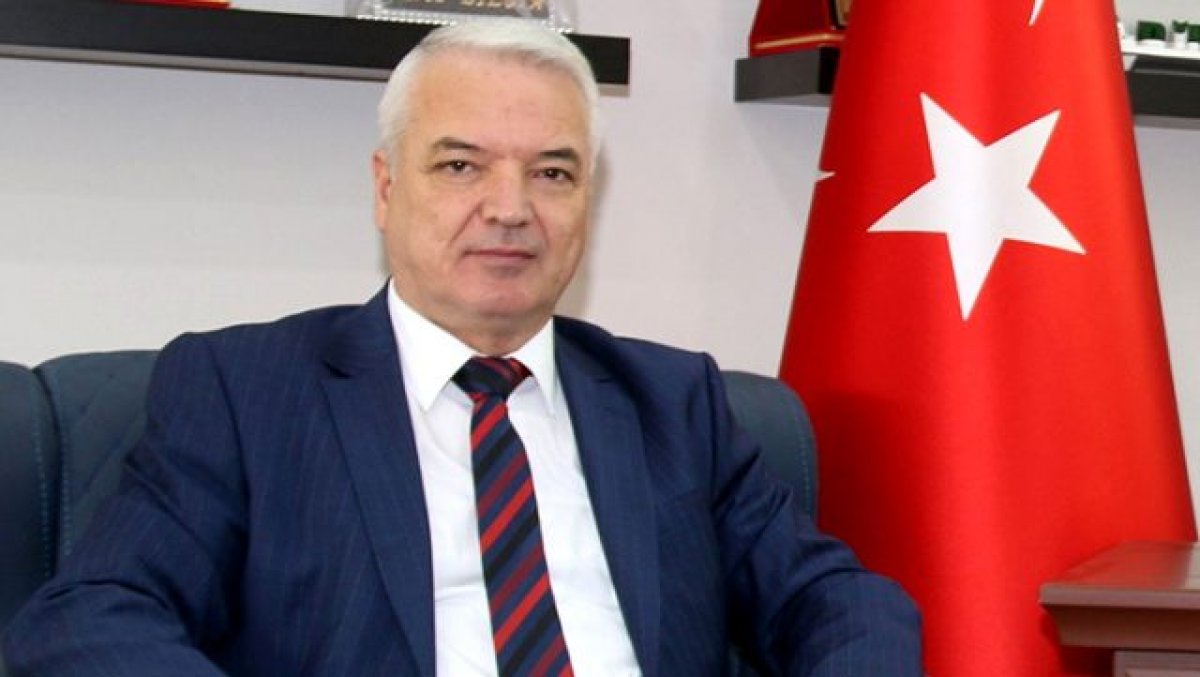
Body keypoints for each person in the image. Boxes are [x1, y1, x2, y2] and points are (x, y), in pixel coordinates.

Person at [2, 20, 921, 676]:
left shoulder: (673, 399)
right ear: (385, 189)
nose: (511, 208)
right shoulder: (246, 391)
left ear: (587, 201)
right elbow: (91, 619)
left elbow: (840, 602)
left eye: (551, 171)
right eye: (460, 165)